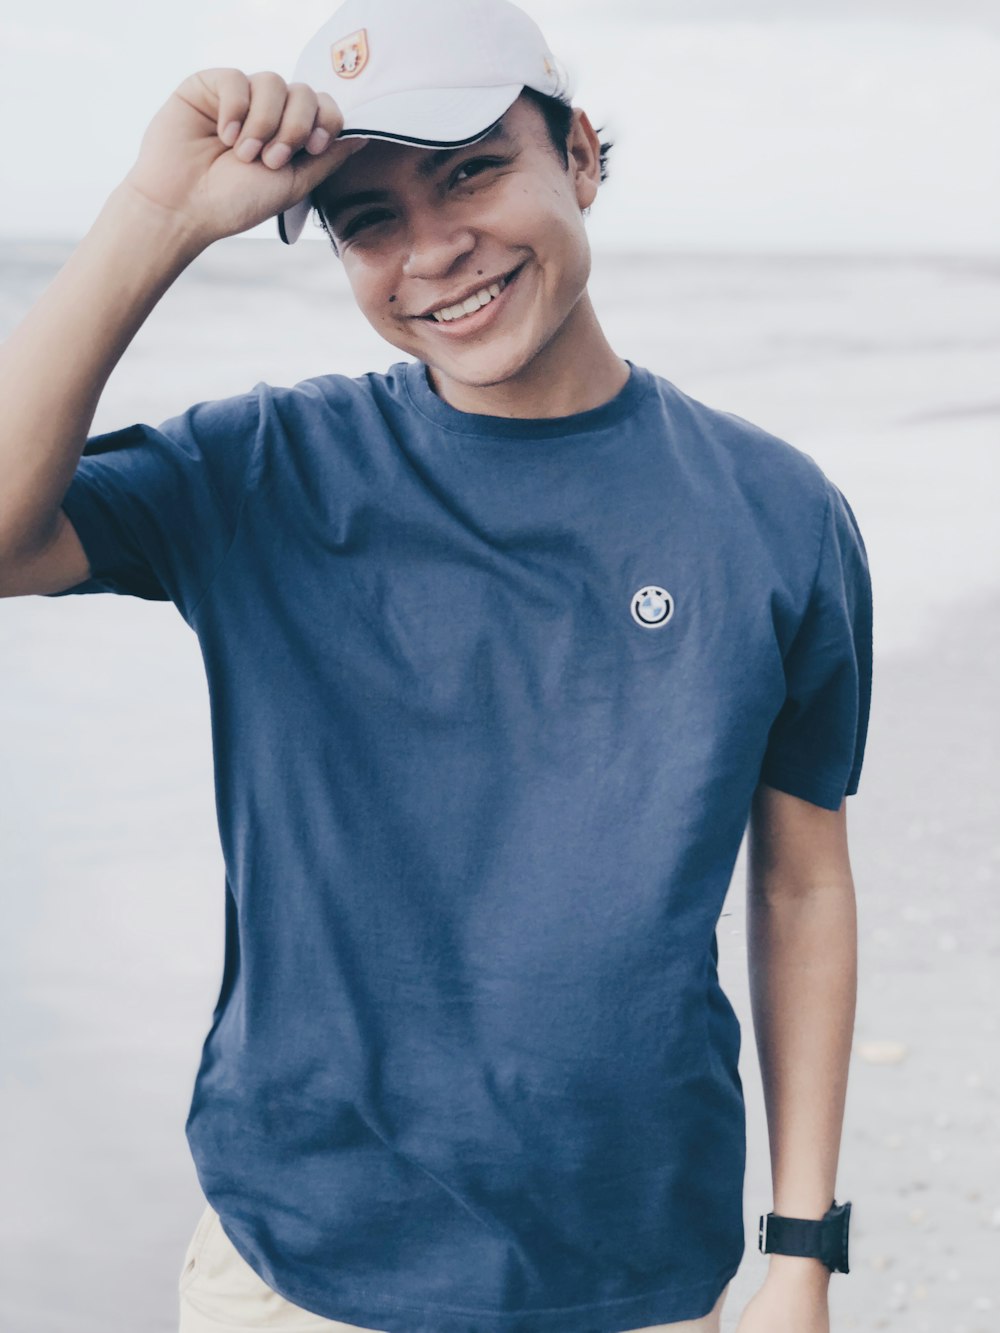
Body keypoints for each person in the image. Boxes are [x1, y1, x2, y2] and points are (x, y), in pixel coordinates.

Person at [0, 0, 872, 1330]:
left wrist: (801, 1247)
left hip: (633, 1267)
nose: (436, 249)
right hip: (297, 1265)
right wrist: (155, 215)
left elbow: (804, 884)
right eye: (369, 221)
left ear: (578, 154)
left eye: (471, 169)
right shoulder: (265, 474)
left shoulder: (775, 512)